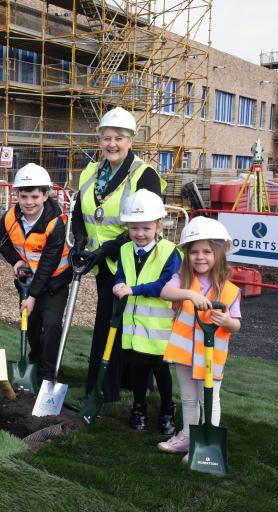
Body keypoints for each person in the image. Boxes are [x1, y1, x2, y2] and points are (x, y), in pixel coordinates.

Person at [71, 106, 166, 402]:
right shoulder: (92, 171)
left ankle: (105, 387)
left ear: (130, 140)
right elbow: (79, 211)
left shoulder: (144, 174)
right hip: (102, 260)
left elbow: (144, 224)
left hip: (133, 261)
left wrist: (106, 249)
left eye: (119, 138)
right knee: (115, 319)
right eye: (107, 138)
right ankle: (121, 381)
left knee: (118, 321)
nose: (112, 144)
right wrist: (80, 242)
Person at [157, 216, 241, 462]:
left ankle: (207, 442)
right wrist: (190, 295)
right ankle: (187, 436)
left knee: (210, 399)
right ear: (187, 254)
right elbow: (165, 292)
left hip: (211, 357)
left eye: (207, 251)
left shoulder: (229, 289)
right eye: (194, 252)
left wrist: (226, 322)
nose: (200, 257)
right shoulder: (183, 279)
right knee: (188, 397)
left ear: (219, 253)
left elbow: (236, 323)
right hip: (184, 354)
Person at [111, 190, 181, 434]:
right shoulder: (125, 250)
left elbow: (165, 285)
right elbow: (122, 273)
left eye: (146, 228)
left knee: (162, 373)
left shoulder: (171, 252)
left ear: (159, 226)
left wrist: (133, 289)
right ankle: (138, 408)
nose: (140, 234)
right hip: (134, 328)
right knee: (138, 371)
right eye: (134, 228)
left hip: (160, 331)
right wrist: (119, 283)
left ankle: (166, 411)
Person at [0, 163, 71, 381]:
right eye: (24, 196)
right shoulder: (10, 217)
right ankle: (36, 361)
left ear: (46, 195)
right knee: (33, 326)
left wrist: (34, 296)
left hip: (55, 281)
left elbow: (48, 262)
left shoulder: (55, 223)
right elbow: (2, 241)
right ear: (17, 194)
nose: (29, 202)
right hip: (27, 280)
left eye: (35, 196)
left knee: (52, 324)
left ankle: (48, 375)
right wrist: (16, 261)